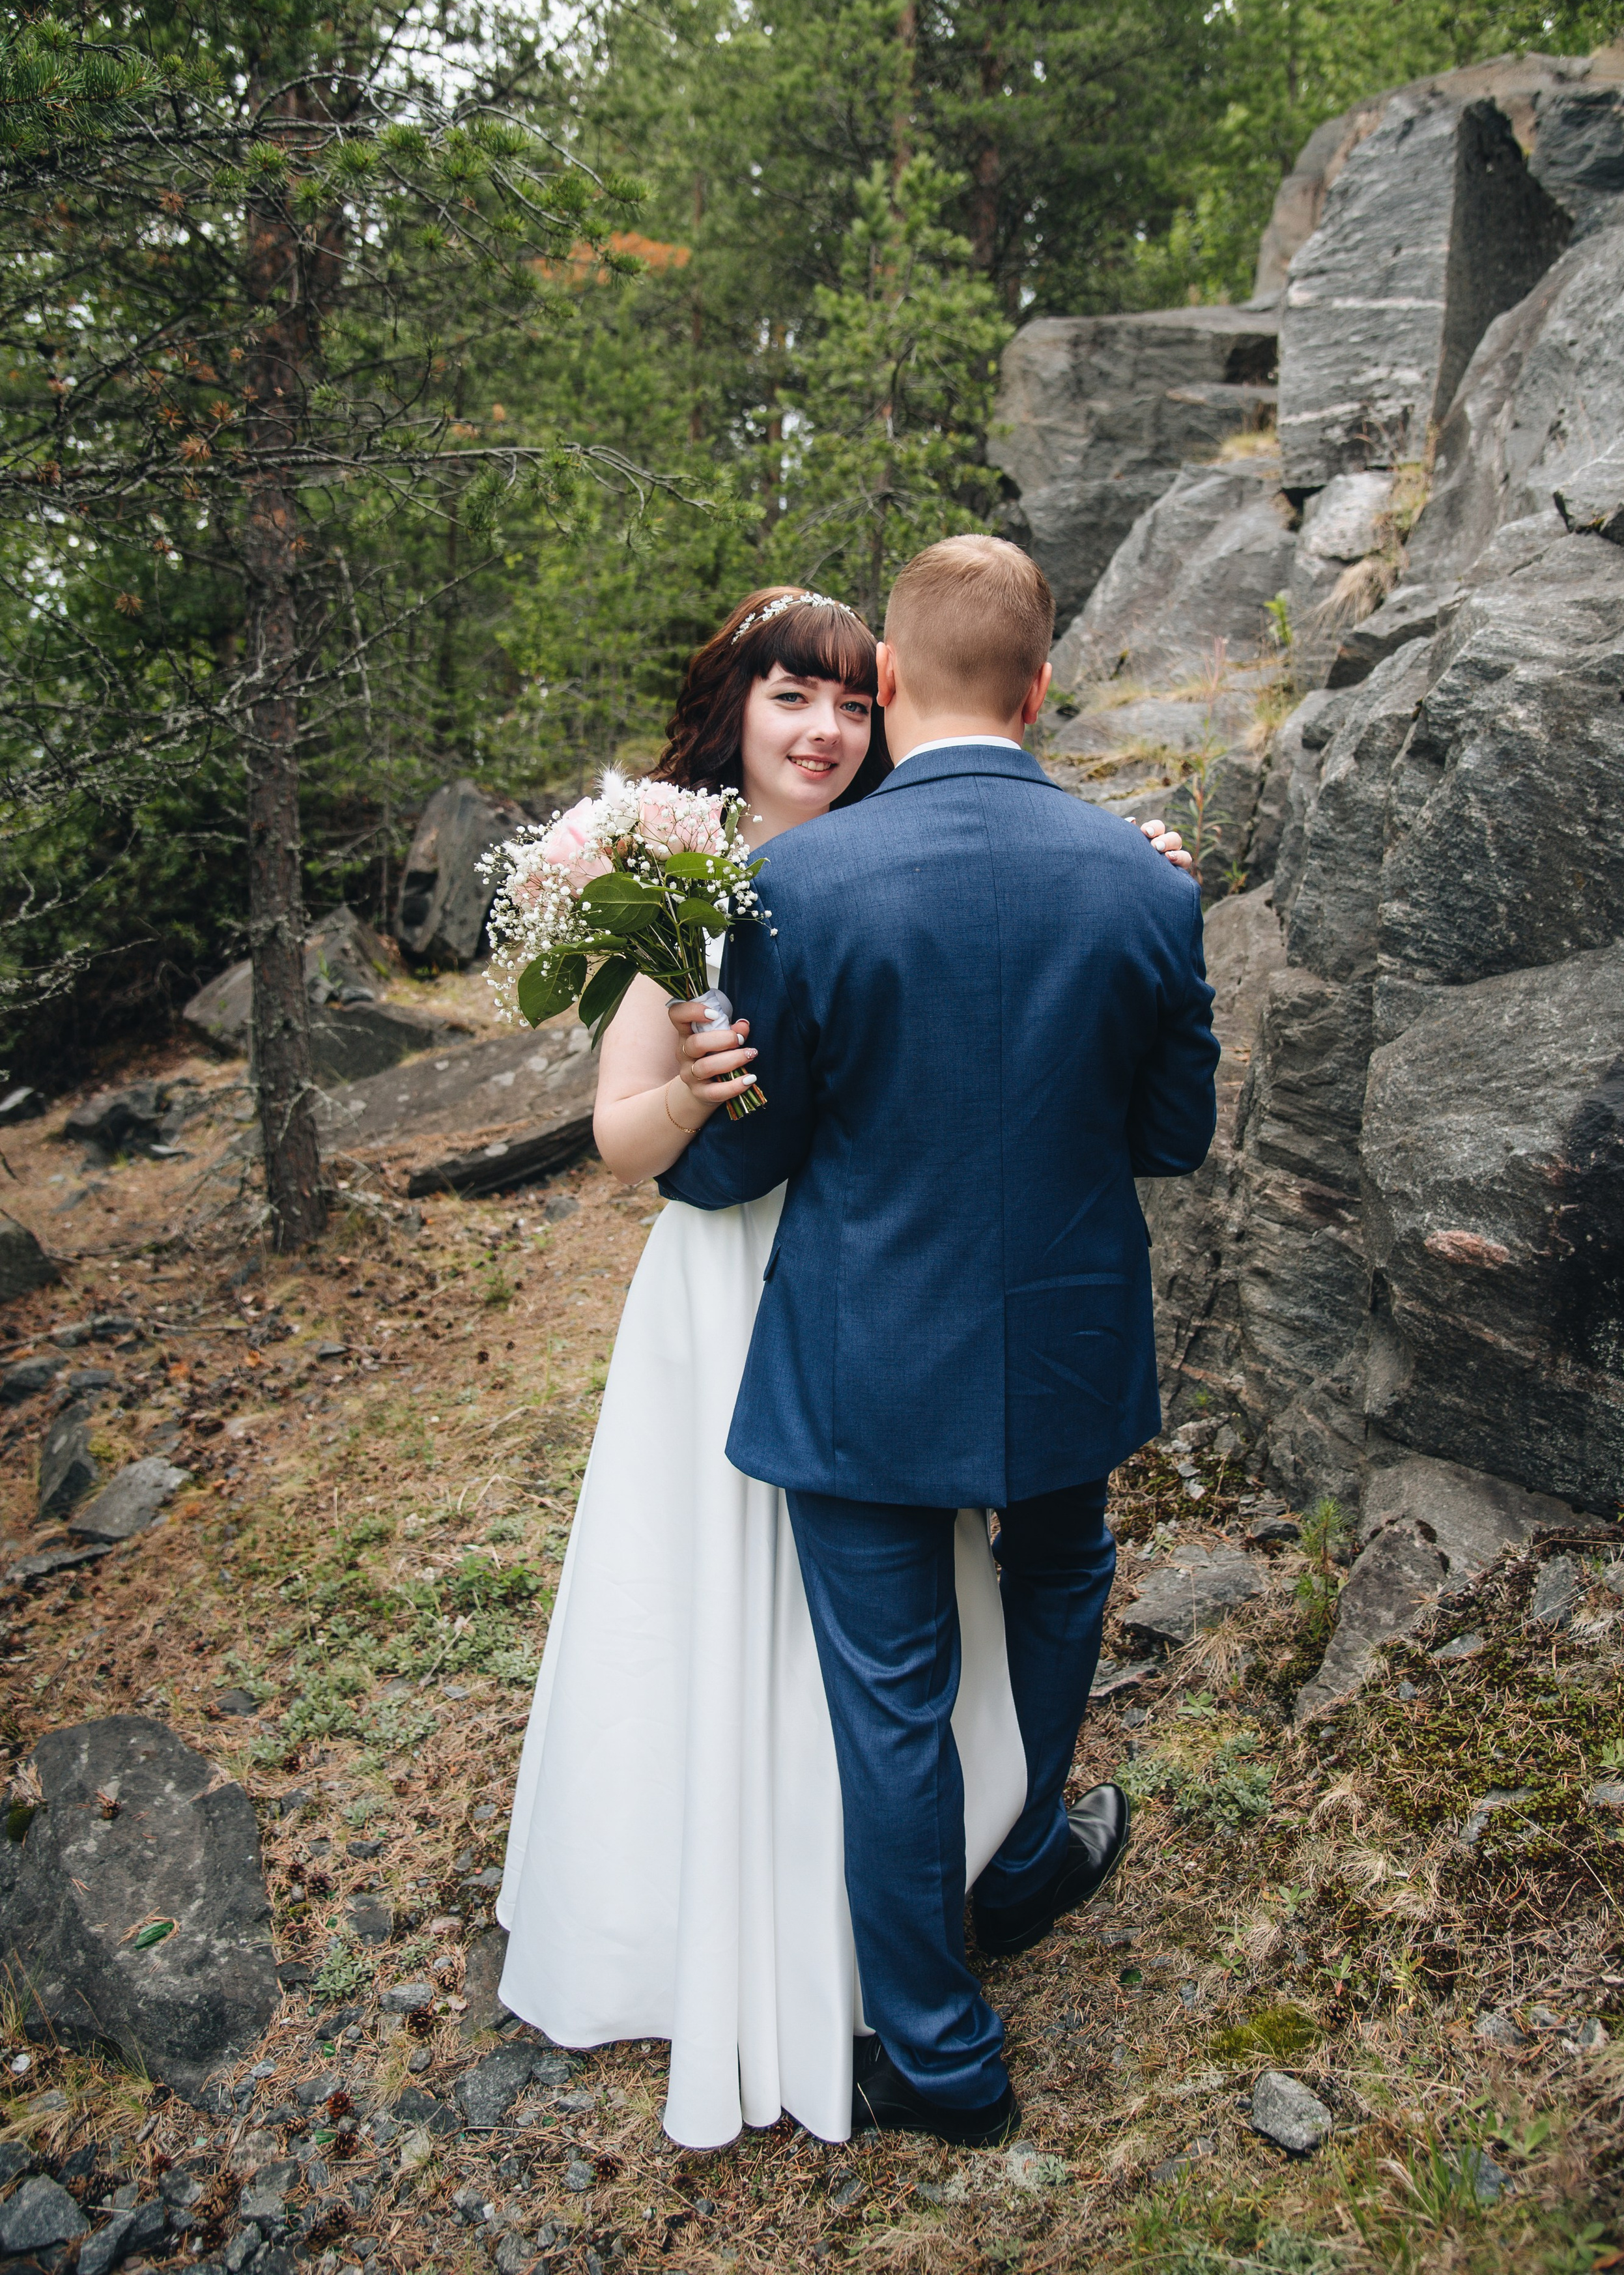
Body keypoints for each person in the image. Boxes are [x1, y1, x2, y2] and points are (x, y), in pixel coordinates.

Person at [660, 536, 1218, 2147]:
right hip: (1060, 1338)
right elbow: (1170, 1137)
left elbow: (749, 1152)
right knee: (1057, 1580)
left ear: (888, 686)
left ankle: (939, 2052)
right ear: (1041, 688)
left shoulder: (795, 884)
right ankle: (1027, 1851)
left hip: (862, 1350)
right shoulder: (1143, 880)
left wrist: (668, 1138)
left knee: (890, 1692)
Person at [496, 587, 1034, 2151]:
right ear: (733, 708)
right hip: (725, 1285)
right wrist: (694, 1096)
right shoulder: (672, 881)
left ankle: (917, 1898)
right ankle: (715, 1918)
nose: (822, 729)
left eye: (854, 704)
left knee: (884, 1635)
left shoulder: (900, 858)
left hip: (879, 1277)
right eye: (792, 696)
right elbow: (615, 1135)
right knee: (722, 1603)